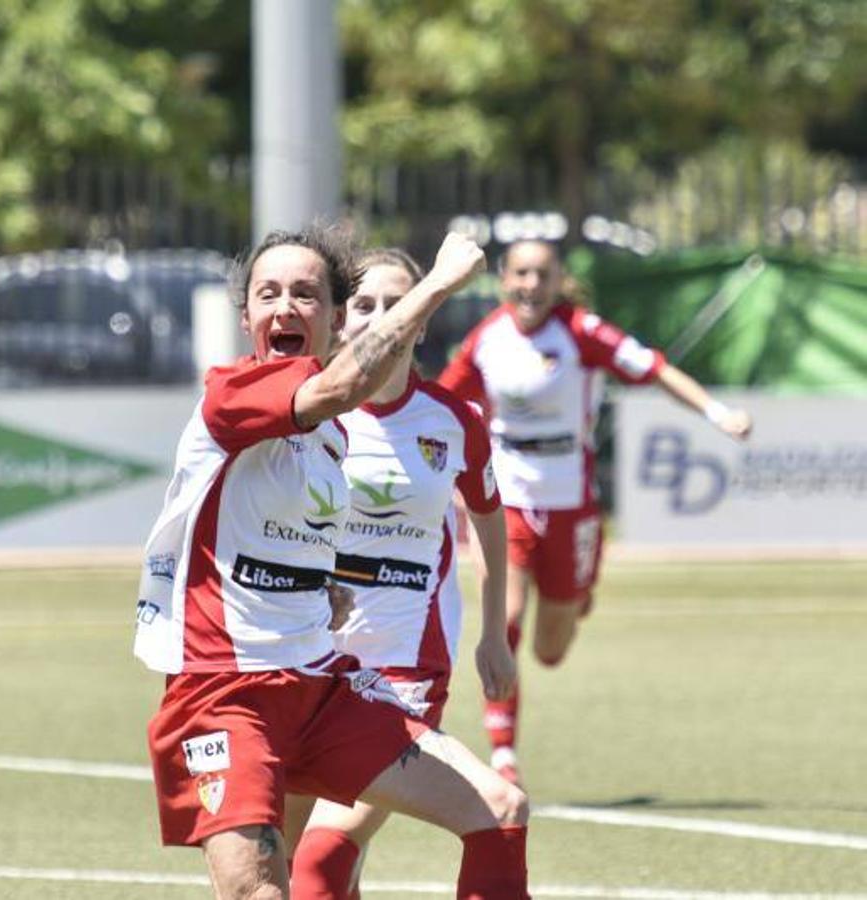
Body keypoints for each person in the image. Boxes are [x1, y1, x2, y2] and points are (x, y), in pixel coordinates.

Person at [134, 225, 529, 899]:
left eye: (305, 293)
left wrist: (323, 592)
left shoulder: (331, 440)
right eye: (268, 293)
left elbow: (280, 533)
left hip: (319, 687)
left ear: (334, 318)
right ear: (246, 317)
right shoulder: (234, 394)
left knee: (499, 809)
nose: (285, 307)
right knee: (264, 890)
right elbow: (339, 387)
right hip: (224, 696)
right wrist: (433, 286)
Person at [437, 239, 753, 785]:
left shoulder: (581, 332)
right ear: (503, 281)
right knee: (505, 617)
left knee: (551, 649)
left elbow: (653, 370)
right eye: (519, 274)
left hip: (571, 502)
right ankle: (504, 754)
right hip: (507, 495)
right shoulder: (486, 339)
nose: (530, 285)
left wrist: (716, 413)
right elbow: (439, 402)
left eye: (541, 274)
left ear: (558, 280)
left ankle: (576, 593)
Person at [286, 248, 519, 899]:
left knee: (326, 852)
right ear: (338, 319)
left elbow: (490, 518)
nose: (380, 318)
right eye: (364, 305)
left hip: (400, 673)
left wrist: (494, 633)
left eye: (397, 304)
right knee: (284, 868)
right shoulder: (309, 414)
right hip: (306, 666)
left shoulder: (455, 421)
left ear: (421, 322)